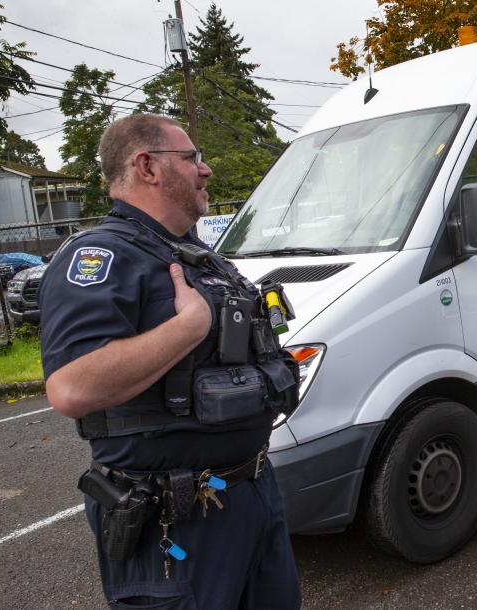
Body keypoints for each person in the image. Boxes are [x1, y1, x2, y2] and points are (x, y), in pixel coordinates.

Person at [39, 114, 302, 609]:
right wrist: (186, 328)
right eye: (192, 158)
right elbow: (72, 388)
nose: (205, 170)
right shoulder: (102, 257)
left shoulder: (200, 257)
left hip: (249, 494)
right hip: (175, 518)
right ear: (147, 167)